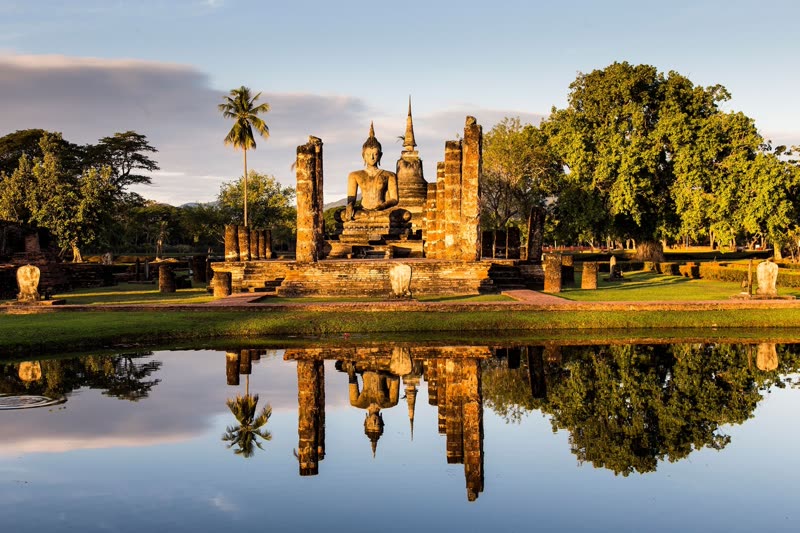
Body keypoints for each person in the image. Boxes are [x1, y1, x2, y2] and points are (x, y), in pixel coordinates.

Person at [344, 122, 399, 221]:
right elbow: (351, 199)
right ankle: (369, 217)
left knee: (405, 215)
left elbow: (394, 199)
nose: (372, 157)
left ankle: (370, 218)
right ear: (363, 155)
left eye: (375, 154)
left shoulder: (389, 175)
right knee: (341, 215)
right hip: (363, 211)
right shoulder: (354, 175)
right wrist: (350, 206)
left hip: (382, 211)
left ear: (380, 155)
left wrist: (383, 206)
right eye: (368, 154)